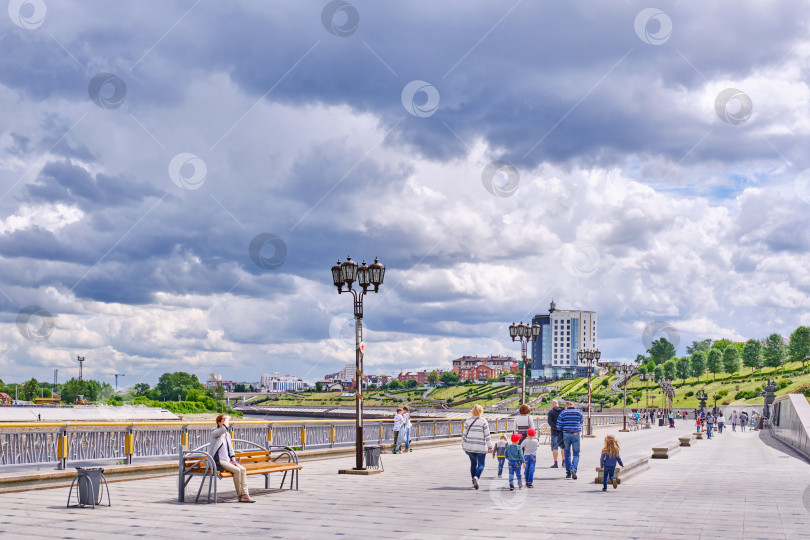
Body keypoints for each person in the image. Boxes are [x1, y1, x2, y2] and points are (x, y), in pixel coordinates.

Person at [210, 414, 255, 503]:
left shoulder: (227, 435)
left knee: (242, 469)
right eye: (223, 421)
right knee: (237, 471)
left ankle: (245, 494)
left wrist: (233, 460)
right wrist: (226, 418)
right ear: (219, 423)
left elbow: (230, 449)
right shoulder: (214, 432)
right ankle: (241, 495)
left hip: (227, 460)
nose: (226, 423)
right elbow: (223, 429)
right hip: (219, 461)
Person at [461, 404, 493, 489]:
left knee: (473, 464)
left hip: (470, 446)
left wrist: (463, 444)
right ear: (481, 411)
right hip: (480, 447)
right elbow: (487, 435)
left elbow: (464, 434)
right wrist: (490, 447)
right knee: (481, 464)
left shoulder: (467, 421)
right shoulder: (483, 421)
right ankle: (476, 477)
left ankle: (473, 482)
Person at [557, 401, 583, 480]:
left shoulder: (563, 413)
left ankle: (568, 472)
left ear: (567, 406)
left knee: (567, 453)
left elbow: (559, 425)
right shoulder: (579, 412)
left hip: (566, 434)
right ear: (573, 405)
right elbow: (581, 422)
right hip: (576, 434)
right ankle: (574, 469)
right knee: (576, 454)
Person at [547, 399, 565, 468]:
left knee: (555, 448)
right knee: (563, 447)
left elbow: (550, 422)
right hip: (562, 431)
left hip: (554, 432)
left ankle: (555, 463)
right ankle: (564, 462)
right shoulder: (563, 411)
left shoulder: (551, 412)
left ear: (553, 404)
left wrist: (555, 427)